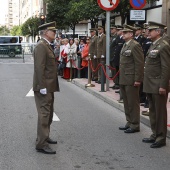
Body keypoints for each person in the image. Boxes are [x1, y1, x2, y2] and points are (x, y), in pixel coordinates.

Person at [33, 21, 60, 154]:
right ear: (45, 33)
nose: (54, 33)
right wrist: (42, 86)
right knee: (44, 114)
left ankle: (45, 136)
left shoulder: (47, 45)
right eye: (52, 31)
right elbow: (39, 68)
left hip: (49, 86)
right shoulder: (41, 46)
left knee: (49, 114)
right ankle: (41, 144)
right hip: (44, 86)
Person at [142, 21, 170, 148]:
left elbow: (166, 67)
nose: (148, 32)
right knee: (153, 111)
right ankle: (154, 134)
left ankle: (161, 137)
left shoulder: (163, 46)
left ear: (158, 32)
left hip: (158, 84)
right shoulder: (154, 45)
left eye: (151, 30)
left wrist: (163, 85)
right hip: (150, 84)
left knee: (160, 113)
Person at [119, 24, 144, 133]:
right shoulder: (125, 45)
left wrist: (138, 79)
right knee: (126, 102)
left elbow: (139, 63)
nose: (122, 34)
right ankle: (129, 121)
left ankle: (135, 124)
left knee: (133, 102)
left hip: (131, 78)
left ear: (131, 34)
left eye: (125, 33)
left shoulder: (135, 45)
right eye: (123, 32)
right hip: (124, 77)